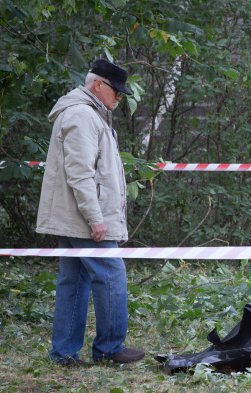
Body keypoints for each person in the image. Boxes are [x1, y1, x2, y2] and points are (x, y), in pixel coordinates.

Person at [36, 59, 145, 365]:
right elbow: (80, 173)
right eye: (116, 92)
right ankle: (110, 349)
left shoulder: (86, 113)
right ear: (98, 85)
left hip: (74, 217)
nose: (119, 99)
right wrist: (96, 218)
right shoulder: (83, 115)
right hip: (84, 219)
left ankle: (64, 353)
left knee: (74, 281)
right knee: (111, 276)